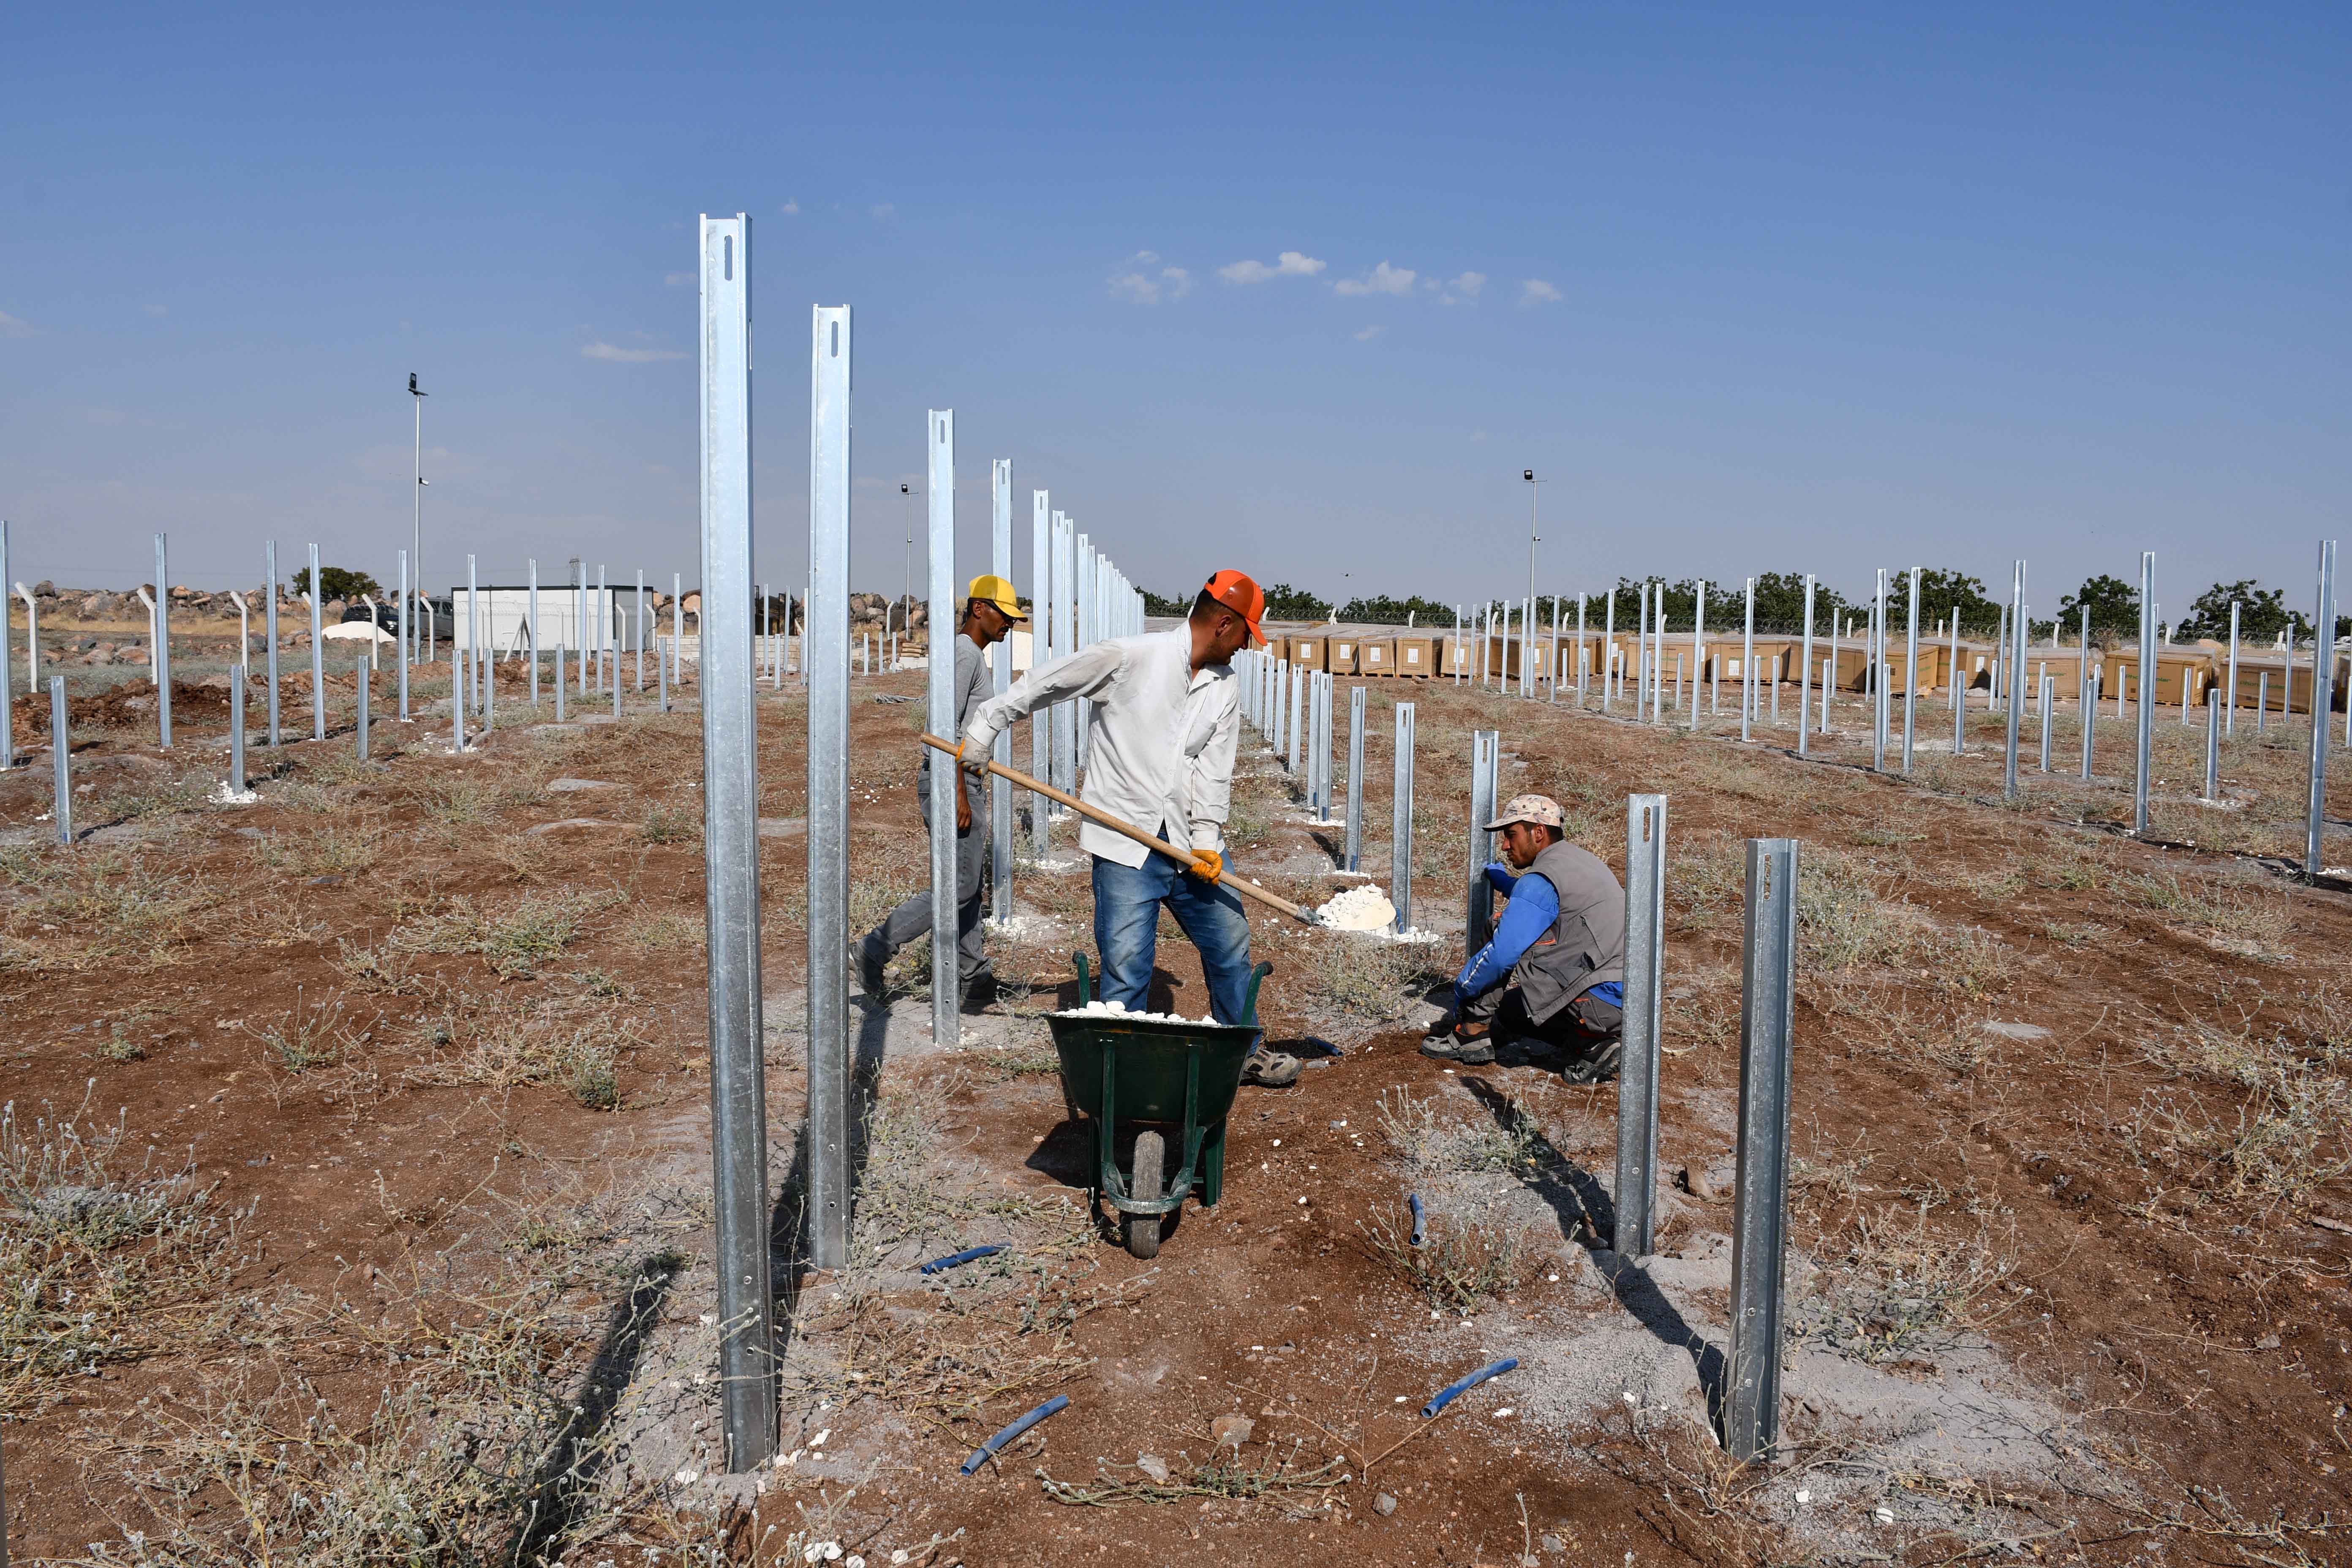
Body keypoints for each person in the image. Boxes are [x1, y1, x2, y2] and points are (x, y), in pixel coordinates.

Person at [957, 570, 1301, 1087]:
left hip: (1188, 846)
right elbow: (1048, 681)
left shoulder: (1224, 687)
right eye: (1246, 635)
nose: (1247, 647)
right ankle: (1122, 1077)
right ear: (1224, 624)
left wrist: (1207, 841)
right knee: (1126, 967)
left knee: (1230, 940)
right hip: (1125, 845)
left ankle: (1243, 1050)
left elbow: (1214, 770)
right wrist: (986, 726)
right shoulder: (1132, 657)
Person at [852, 574, 1027, 1008]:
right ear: (980, 609)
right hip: (954, 780)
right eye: (1005, 615)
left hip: (963, 778)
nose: (1010, 624)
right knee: (959, 886)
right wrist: (959, 794)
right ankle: (874, 948)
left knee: (969, 883)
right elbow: (940, 730)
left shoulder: (970, 655)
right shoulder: (964, 654)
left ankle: (974, 974)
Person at [1421, 794, 1626, 1080]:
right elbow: (1545, 899)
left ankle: (1472, 1033)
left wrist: (1463, 988)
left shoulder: (1540, 881)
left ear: (1538, 832)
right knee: (1510, 1012)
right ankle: (1598, 1041)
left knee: (1499, 927)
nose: (1505, 846)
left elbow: (1502, 956)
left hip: (1596, 1007)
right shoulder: (1579, 861)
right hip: (1626, 1002)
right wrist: (1504, 881)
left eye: (1511, 835)